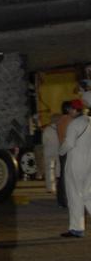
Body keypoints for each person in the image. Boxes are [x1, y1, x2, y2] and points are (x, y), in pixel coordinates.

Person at [59, 102, 91, 238]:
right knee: (88, 194)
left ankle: (77, 228)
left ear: (73, 110)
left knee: (74, 195)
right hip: (89, 161)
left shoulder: (74, 124)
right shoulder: (90, 121)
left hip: (76, 162)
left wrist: (61, 152)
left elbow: (69, 143)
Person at [40, 119, 60, 193]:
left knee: (49, 170)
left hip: (48, 152)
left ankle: (50, 188)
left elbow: (44, 141)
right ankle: (58, 186)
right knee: (58, 169)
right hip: (57, 151)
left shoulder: (47, 129)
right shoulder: (60, 128)